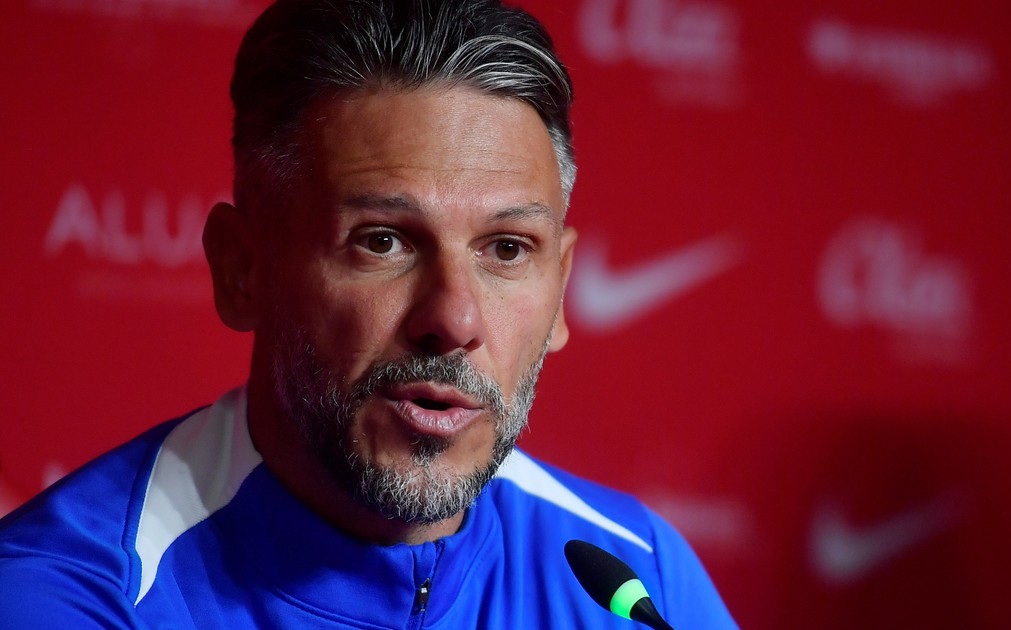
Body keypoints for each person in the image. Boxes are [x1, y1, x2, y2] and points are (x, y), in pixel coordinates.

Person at [0, 0, 736, 627]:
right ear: (241, 268)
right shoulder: (70, 598)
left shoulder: (640, 577)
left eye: (507, 249)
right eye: (382, 241)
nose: (455, 319)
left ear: (563, 288)